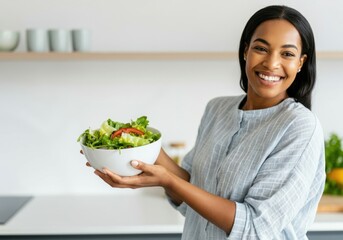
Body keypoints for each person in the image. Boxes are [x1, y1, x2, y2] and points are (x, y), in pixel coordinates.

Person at [89, 5, 325, 239]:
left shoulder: (299, 126)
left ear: (301, 62)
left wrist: (168, 180)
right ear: (245, 51)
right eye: (261, 48)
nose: (272, 63)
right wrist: (144, 146)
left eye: (287, 53)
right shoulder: (217, 109)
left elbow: (255, 227)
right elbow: (192, 192)